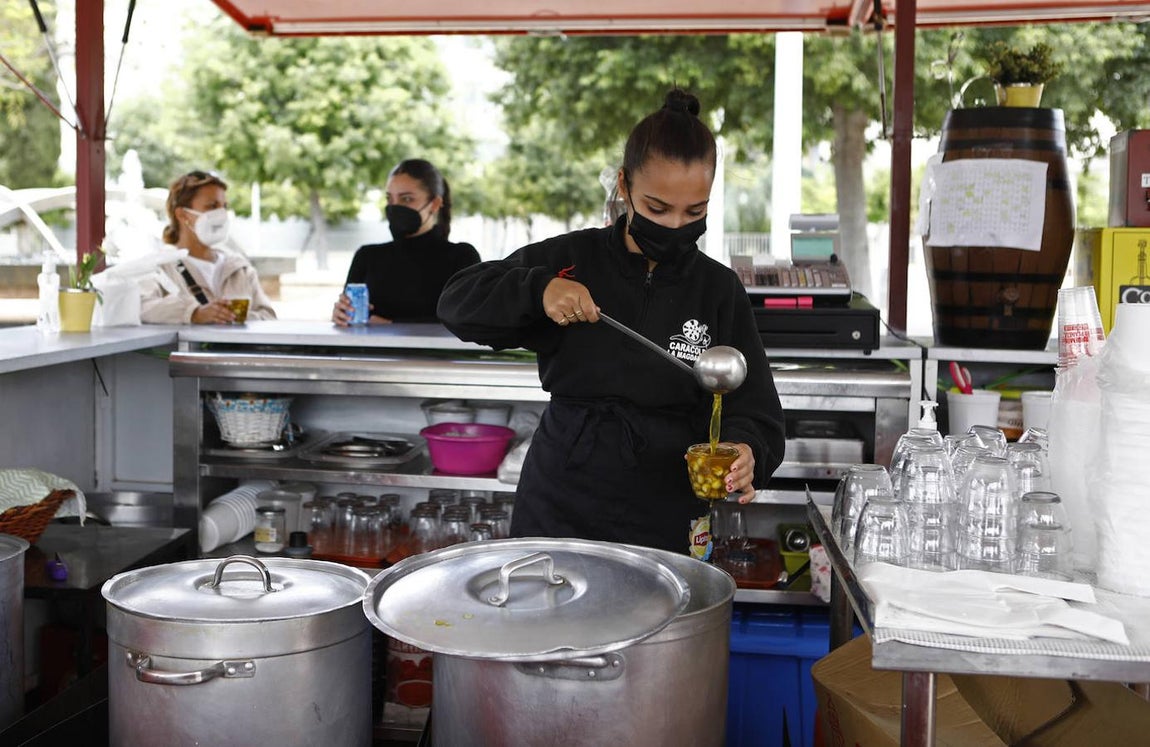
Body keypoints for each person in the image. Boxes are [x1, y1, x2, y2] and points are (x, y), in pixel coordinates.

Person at [436, 88, 786, 554]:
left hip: (666, 505)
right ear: (624, 186)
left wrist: (747, 450)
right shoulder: (571, 259)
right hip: (562, 492)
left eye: (694, 211)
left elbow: (756, 410)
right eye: (657, 208)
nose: (675, 225)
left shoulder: (718, 288)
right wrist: (538, 290)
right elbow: (457, 302)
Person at [332, 159, 480, 325]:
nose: (395, 207)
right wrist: (342, 314)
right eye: (390, 199)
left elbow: (470, 323)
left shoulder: (461, 257)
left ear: (435, 204)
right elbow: (349, 322)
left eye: (407, 199)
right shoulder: (367, 256)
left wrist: (391, 326)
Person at [139, 170, 276, 324]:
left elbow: (268, 316)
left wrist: (233, 317)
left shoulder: (240, 269)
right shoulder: (160, 267)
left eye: (224, 207)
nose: (221, 214)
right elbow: (142, 307)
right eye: (212, 206)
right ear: (182, 215)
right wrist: (193, 313)